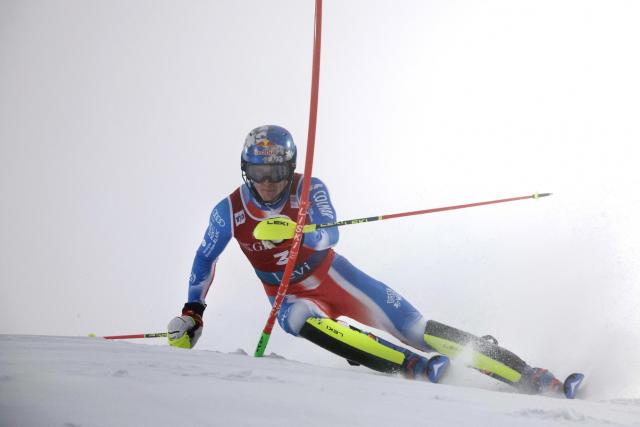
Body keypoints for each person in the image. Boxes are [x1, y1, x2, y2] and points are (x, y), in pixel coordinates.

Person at [168, 125, 562, 393]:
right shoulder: (229, 211)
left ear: (290, 168)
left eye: (276, 171)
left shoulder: (308, 188)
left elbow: (331, 233)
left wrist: (299, 230)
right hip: (287, 294)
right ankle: (414, 368)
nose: (268, 182)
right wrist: (193, 313)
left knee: (418, 329)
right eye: (259, 172)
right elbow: (205, 260)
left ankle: (531, 375)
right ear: (246, 171)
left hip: (334, 276)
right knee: (299, 319)